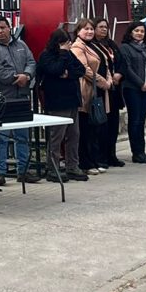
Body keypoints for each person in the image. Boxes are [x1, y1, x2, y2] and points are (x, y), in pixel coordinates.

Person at [0, 15, 41, 185]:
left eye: (2, 27)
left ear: (9, 28)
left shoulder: (21, 45)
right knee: (0, 137)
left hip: (21, 96)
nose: (0, 31)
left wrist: (27, 75)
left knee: (22, 136)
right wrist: (17, 78)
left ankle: (23, 171)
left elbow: (31, 62)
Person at [36, 27, 87, 180]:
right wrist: (64, 55)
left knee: (74, 134)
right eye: (63, 43)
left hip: (72, 100)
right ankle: (53, 168)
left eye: (68, 43)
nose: (66, 46)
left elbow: (81, 70)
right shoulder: (46, 56)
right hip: (57, 101)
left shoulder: (69, 54)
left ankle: (72, 166)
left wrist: (67, 74)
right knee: (56, 136)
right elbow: (55, 70)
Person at [70, 17, 111, 175]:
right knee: (85, 129)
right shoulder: (77, 47)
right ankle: (85, 162)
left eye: (91, 29)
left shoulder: (93, 45)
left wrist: (108, 80)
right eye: (85, 29)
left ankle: (95, 159)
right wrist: (103, 82)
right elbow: (85, 69)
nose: (89, 31)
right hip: (87, 91)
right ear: (78, 31)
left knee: (96, 128)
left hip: (99, 90)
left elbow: (105, 63)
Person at [87, 18, 125, 167]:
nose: (104, 29)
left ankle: (111, 154)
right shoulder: (92, 46)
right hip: (102, 90)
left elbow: (122, 62)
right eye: (100, 27)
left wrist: (119, 74)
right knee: (101, 125)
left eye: (106, 27)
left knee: (113, 124)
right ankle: (100, 156)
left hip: (114, 89)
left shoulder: (111, 44)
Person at [117, 21, 146, 163]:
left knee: (141, 121)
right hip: (133, 88)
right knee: (135, 120)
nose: (140, 33)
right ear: (131, 32)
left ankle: (142, 151)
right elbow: (127, 69)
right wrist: (141, 84)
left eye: (142, 31)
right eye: (136, 31)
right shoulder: (125, 48)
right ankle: (136, 152)